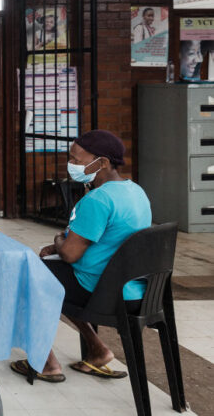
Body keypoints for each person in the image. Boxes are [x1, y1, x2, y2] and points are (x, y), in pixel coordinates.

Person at [10, 130, 151, 383]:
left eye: (77, 160)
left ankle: (46, 362)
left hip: (104, 293)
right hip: (135, 288)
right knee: (53, 275)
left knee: (26, 277)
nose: (71, 165)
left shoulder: (98, 199)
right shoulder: (135, 191)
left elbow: (70, 254)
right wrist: (63, 245)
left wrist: (57, 241)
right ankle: (97, 350)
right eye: (71, 158)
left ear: (103, 162)